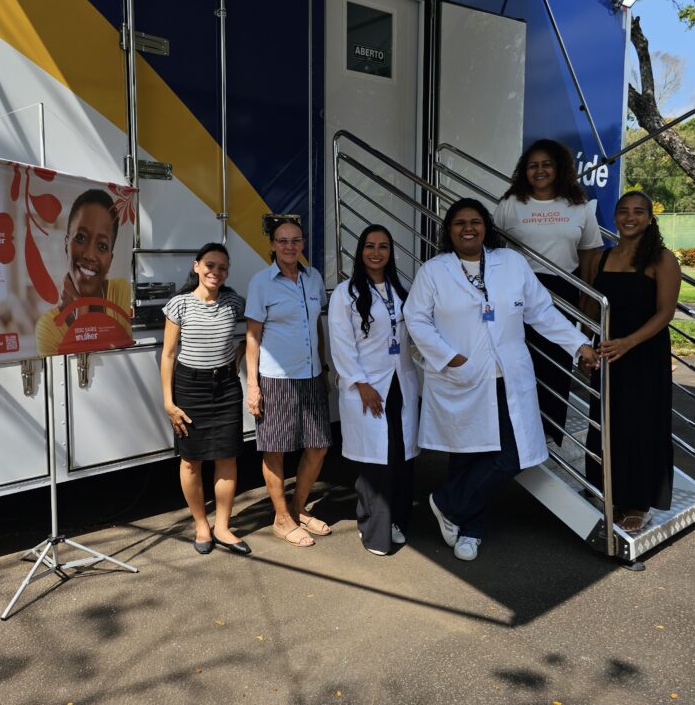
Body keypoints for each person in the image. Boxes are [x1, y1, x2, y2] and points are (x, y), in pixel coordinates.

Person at [404, 198, 598, 561]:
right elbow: (415, 319)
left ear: (486, 227)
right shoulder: (435, 270)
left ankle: (447, 504)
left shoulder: (511, 264)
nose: (468, 228)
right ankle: (469, 532)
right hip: (462, 377)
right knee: (465, 457)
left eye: (475, 221)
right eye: (459, 223)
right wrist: (450, 357)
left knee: (508, 456)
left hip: (507, 377)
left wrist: (578, 344)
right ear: (449, 230)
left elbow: (541, 312)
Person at [495, 139, 603, 450]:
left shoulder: (578, 206)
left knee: (556, 360)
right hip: (518, 288)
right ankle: (515, 427)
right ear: (524, 171)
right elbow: (494, 250)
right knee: (519, 359)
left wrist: (586, 303)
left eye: (546, 164)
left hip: (563, 288)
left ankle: (549, 430)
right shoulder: (510, 204)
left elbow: (590, 256)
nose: (539, 170)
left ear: (559, 168)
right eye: (533, 165)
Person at [583, 191, 679, 533]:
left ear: (650, 218)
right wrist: (586, 347)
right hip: (608, 352)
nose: (629, 217)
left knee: (640, 427)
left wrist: (629, 343)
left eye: (639, 211)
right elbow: (591, 310)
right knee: (608, 422)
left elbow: (665, 313)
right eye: (623, 211)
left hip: (644, 354)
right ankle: (610, 492)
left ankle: (638, 504)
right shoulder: (601, 258)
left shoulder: (662, 259)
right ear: (615, 217)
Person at [329, 225, 419, 556]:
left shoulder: (400, 289)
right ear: (360, 251)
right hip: (368, 385)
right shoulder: (346, 293)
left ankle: (396, 521)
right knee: (375, 460)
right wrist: (361, 383)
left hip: (400, 382)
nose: (376, 252)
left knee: (401, 456)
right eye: (369, 246)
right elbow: (341, 343)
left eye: (383, 246)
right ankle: (373, 531)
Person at [245, 218, 332, 548]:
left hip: (310, 376)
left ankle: (297, 509)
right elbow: (252, 337)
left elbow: (317, 327)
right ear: (272, 245)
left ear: (303, 243)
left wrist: (322, 367)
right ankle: (281, 519)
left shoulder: (313, 279)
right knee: (275, 449)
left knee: (319, 444)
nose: (290, 246)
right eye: (282, 241)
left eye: (296, 240)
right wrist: (252, 386)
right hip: (276, 379)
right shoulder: (261, 283)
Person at [160, 243, 250, 556]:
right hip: (190, 388)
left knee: (226, 457)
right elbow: (168, 355)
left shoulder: (234, 303)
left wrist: (239, 353)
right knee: (191, 460)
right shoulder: (179, 305)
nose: (216, 272)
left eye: (222, 268)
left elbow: (255, 332)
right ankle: (201, 524)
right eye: (210, 265)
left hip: (225, 387)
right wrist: (168, 403)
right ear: (197, 266)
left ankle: (223, 527)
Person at [35, 189, 133, 356]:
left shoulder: (120, 291)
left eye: (102, 246)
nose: (89, 254)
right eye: (80, 237)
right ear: (67, 244)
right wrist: (81, 308)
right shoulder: (48, 328)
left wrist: (81, 307)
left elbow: (121, 356)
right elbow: (75, 372)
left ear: (110, 260)